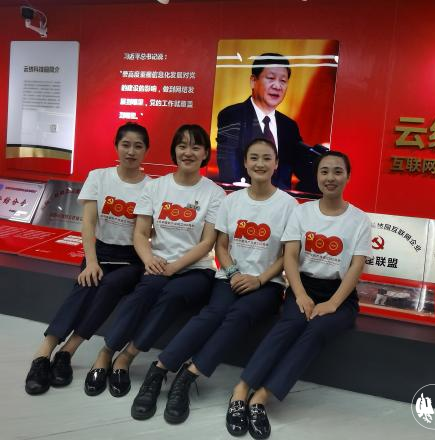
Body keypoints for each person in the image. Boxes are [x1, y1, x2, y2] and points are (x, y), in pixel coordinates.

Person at [130, 138, 298, 424]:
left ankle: (188, 375)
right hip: (229, 278)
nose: (260, 164)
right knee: (213, 313)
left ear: (276, 164)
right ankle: (158, 370)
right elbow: (221, 246)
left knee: (240, 314)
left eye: (266, 158)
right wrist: (233, 273)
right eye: (254, 157)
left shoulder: (289, 205)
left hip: (267, 284)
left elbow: (287, 255)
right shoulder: (231, 201)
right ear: (245, 162)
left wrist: (259, 280)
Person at [227, 151, 372, 439]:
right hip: (302, 287)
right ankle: (241, 390)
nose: (331, 178)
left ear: (348, 176)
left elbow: (356, 267)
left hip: (340, 295)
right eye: (324, 171)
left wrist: (332, 303)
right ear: (316, 176)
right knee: (291, 322)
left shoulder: (359, 220)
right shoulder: (302, 212)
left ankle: (260, 398)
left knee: (317, 329)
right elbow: (290, 257)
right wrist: (301, 294)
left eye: (338, 171)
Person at [84, 124, 225, 398]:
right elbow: (140, 233)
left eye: (195, 147)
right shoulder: (156, 187)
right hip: (157, 263)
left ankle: (127, 356)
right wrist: (149, 259)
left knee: (173, 295)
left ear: (205, 153)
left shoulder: (214, 193)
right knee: (144, 292)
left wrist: (174, 267)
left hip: (196, 270)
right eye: (182, 146)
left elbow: (207, 242)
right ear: (174, 150)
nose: (188, 152)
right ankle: (106, 353)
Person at [24, 122, 151, 395]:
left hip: (131, 259)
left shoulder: (151, 187)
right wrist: (91, 262)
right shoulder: (99, 177)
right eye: (126, 145)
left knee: (109, 285)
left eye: (138, 146)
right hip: (100, 252)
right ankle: (44, 354)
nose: (131, 151)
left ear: (146, 151)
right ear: (116, 146)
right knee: (86, 283)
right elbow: (89, 223)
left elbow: (146, 232)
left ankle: (68, 351)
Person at [217, 52, 318, 192]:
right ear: (253, 81)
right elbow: (229, 170)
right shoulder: (233, 115)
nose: (277, 86)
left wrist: (322, 161)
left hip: (280, 201)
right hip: (243, 199)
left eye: (283, 81)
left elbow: (304, 172)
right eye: (271, 78)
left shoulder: (289, 126)